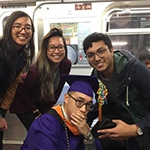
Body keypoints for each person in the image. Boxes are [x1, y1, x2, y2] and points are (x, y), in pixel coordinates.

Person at [82, 32, 150, 150]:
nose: (97, 58)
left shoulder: (135, 70)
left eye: (101, 51)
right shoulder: (96, 75)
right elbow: (102, 103)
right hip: (118, 119)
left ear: (111, 50)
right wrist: (82, 119)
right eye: (91, 55)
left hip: (142, 123)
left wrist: (135, 129)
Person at [10, 28, 72, 130]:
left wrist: (49, 110)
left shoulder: (66, 65)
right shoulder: (36, 71)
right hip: (22, 101)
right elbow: (24, 94)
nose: (57, 51)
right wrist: (36, 112)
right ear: (45, 50)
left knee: (47, 126)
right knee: (36, 130)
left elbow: (58, 89)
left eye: (60, 47)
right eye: (52, 47)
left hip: (41, 100)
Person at [20, 74, 102, 150]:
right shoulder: (46, 124)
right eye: (79, 101)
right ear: (66, 98)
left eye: (88, 104)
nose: (84, 109)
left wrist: (87, 135)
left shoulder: (81, 125)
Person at [0, 10, 35, 149]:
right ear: (9, 28)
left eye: (28, 27)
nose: (23, 30)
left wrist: (2, 113)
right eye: (18, 26)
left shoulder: (23, 57)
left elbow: (12, 87)